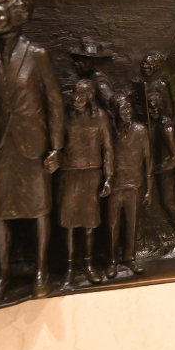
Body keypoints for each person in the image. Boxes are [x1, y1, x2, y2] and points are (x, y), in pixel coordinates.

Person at [0, 0, 63, 306]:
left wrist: (56, 146)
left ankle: (41, 271)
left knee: (39, 209)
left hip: (33, 143)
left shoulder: (37, 53)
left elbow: (55, 102)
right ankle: (3, 274)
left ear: (16, 18)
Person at [59, 79, 112, 286]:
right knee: (69, 224)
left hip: (91, 174)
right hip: (69, 174)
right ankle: (70, 268)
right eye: (74, 93)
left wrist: (108, 177)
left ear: (90, 97)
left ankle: (88, 265)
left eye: (82, 95)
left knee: (89, 224)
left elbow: (108, 149)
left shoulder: (100, 118)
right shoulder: (64, 115)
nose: (76, 98)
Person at [106, 96, 152, 279]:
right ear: (115, 112)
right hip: (115, 187)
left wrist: (149, 190)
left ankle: (129, 257)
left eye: (128, 109)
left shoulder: (141, 131)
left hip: (134, 185)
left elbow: (148, 162)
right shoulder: (109, 131)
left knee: (132, 224)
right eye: (122, 110)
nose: (127, 113)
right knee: (112, 225)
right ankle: (111, 261)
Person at [146, 90, 175, 239]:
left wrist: (159, 169)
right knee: (167, 202)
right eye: (149, 108)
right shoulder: (160, 124)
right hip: (164, 167)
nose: (152, 111)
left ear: (161, 107)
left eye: (155, 108)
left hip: (168, 171)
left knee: (169, 202)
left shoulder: (167, 127)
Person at [69, 37, 116, 113]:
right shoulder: (91, 80)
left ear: (91, 62)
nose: (76, 63)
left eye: (80, 60)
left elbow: (113, 113)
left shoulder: (101, 85)